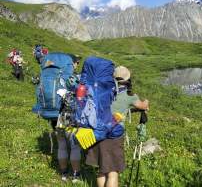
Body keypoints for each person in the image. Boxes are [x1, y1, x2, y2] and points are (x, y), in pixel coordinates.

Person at [85, 66, 149, 187]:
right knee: (113, 172)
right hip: (113, 137)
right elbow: (143, 106)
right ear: (127, 79)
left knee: (102, 170)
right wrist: (146, 101)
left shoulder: (101, 90)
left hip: (97, 133)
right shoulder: (128, 96)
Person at [52, 54, 82, 183]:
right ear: (72, 64)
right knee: (75, 147)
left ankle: (64, 174)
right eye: (76, 63)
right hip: (73, 119)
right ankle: (75, 176)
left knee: (62, 146)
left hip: (60, 119)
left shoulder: (58, 81)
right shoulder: (78, 79)